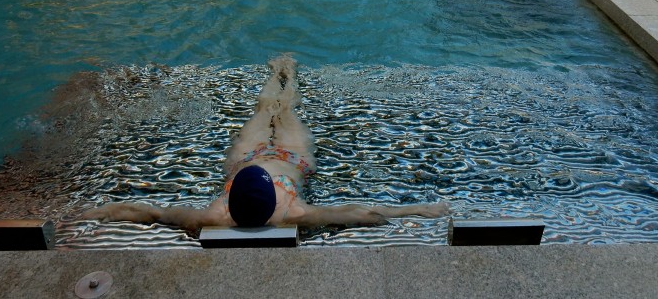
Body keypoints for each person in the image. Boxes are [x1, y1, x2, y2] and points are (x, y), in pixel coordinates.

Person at [82, 55, 450, 230]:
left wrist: (94, 213)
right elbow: (363, 214)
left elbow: (150, 212)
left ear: (230, 200)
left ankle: (278, 71)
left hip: (244, 157)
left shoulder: (211, 217)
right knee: (285, 109)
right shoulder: (296, 214)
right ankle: (288, 73)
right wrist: (416, 211)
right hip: (292, 159)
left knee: (264, 108)